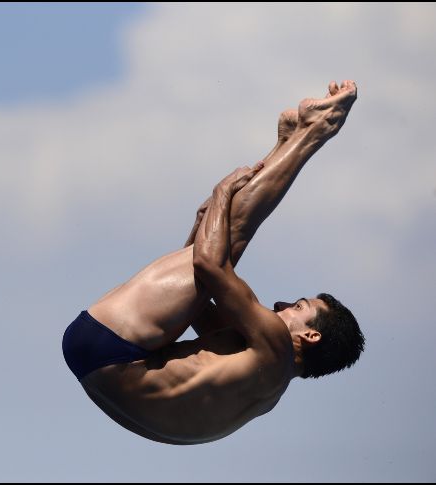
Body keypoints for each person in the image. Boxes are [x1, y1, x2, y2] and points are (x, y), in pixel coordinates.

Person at [62, 80, 365, 445]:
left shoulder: (276, 345)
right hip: (101, 360)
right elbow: (196, 293)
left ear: (310, 335)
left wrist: (222, 194)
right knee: (220, 240)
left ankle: (318, 129)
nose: (281, 305)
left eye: (298, 307)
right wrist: (204, 220)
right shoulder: (265, 381)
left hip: (115, 350)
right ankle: (289, 143)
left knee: (232, 236)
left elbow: (209, 266)